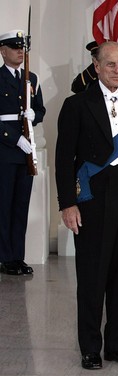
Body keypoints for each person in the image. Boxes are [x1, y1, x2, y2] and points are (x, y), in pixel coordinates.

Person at [55, 41, 118, 369]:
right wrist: (68, 203)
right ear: (96, 66)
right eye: (111, 65)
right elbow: (64, 158)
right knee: (93, 277)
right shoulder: (77, 105)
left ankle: (117, 346)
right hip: (92, 199)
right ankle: (91, 347)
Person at [0, 29, 45, 276]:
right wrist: (15, 138)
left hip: (26, 151)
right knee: (4, 206)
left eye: (22, 48)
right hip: (5, 151)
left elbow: (40, 110)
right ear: (2, 51)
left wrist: (33, 116)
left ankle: (18, 256)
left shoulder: (31, 78)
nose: (20, 51)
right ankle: (5, 257)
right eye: (14, 47)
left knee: (20, 206)